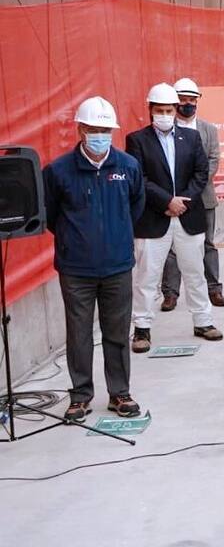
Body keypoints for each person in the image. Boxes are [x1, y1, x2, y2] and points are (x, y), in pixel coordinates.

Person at [43, 97, 144, 421]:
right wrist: (75, 242)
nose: (100, 135)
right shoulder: (58, 171)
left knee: (117, 331)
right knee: (79, 333)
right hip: (76, 269)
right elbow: (51, 215)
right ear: (81, 129)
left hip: (117, 265)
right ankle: (81, 395)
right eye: (94, 129)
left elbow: (136, 207)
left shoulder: (128, 166)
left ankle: (119, 393)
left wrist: (117, 236)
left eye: (105, 130)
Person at [127, 83, 224, 353]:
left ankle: (203, 321)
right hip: (153, 219)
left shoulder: (191, 139)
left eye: (169, 110)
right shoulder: (137, 140)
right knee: (147, 277)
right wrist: (166, 202)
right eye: (160, 110)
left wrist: (182, 201)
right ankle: (142, 329)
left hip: (187, 216)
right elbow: (140, 178)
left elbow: (200, 173)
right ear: (150, 110)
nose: (165, 115)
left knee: (195, 272)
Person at [161, 77, 224, 312]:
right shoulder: (166, 129)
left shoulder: (208, 129)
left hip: (203, 196)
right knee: (171, 246)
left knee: (208, 243)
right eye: (183, 99)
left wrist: (194, 188)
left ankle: (214, 288)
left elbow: (213, 160)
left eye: (192, 99)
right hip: (172, 199)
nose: (188, 104)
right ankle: (170, 293)